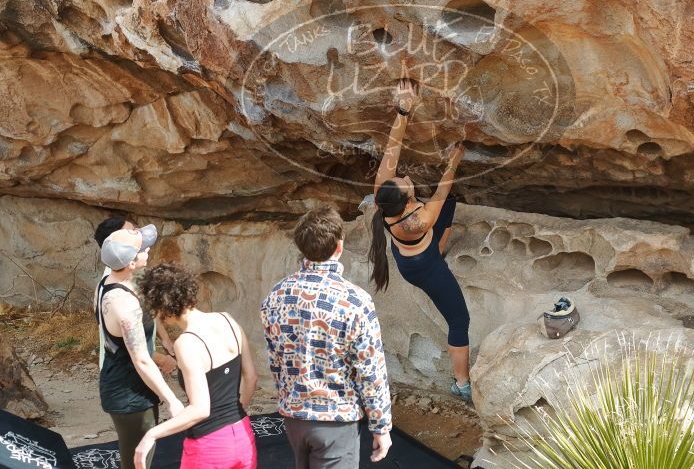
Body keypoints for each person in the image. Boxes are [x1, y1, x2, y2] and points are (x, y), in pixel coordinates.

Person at [262, 206, 393, 469]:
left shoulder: (276, 295)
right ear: (339, 246)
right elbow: (370, 370)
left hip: (294, 417)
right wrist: (381, 426)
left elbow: (276, 360)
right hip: (336, 419)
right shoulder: (355, 300)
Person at [369, 79, 471, 401]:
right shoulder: (418, 219)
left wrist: (404, 109)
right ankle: (462, 384)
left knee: (449, 210)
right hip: (424, 267)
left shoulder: (382, 193)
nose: (403, 177)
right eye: (404, 183)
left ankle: (438, 246)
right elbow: (442, 189)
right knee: (459, 319)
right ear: (407, 200)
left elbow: (392, 149)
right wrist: (454, 161)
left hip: (406, 258)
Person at [133, 263, 258, 469]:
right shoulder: (227, 319)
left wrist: (152, 434)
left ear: (162, 307)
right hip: (243, 435)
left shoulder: (187, 342)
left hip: (209, 445)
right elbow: (251, 377)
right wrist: (236, 413)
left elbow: (200, 409)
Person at [96, 228, 184, 469]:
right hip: (130, 395)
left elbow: (125, 346)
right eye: (143, 249)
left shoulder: (107, 282)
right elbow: (140, 360)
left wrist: (159, 354)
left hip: (122, 382)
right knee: (138, 460)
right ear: (131, 262)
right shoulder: (125, 306)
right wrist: (171, 400)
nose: (148, 249)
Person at [93, 216, 175, 373]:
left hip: (140, 367)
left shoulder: (132, 273)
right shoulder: (113, 292)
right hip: (124, 372)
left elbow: (147, 309)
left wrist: (165, 339)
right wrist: (160, 359)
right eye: (131, 232)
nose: (139, 235)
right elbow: (124, 343)